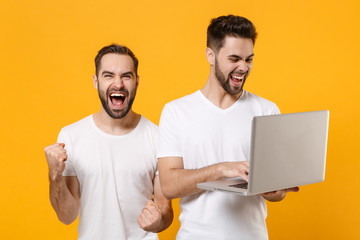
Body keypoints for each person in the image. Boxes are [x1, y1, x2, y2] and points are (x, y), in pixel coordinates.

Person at [157, 15, 299, 239]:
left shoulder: (267, 110)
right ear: (210, 56)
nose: (243, 67)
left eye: (249, 59)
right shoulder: (176, 112)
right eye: (234, 58)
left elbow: (278, 193)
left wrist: (274, 190)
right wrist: (220, 169)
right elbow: (169, 185)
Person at [44, 44, 173, 240]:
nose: (118, 84)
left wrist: (159, 221)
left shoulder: (157, 136)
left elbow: (165, 209)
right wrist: (55, 176)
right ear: (96, 81)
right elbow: (66, 216)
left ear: (137, 82)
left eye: (126, 76)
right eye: (108, 75)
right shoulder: (71, 136)